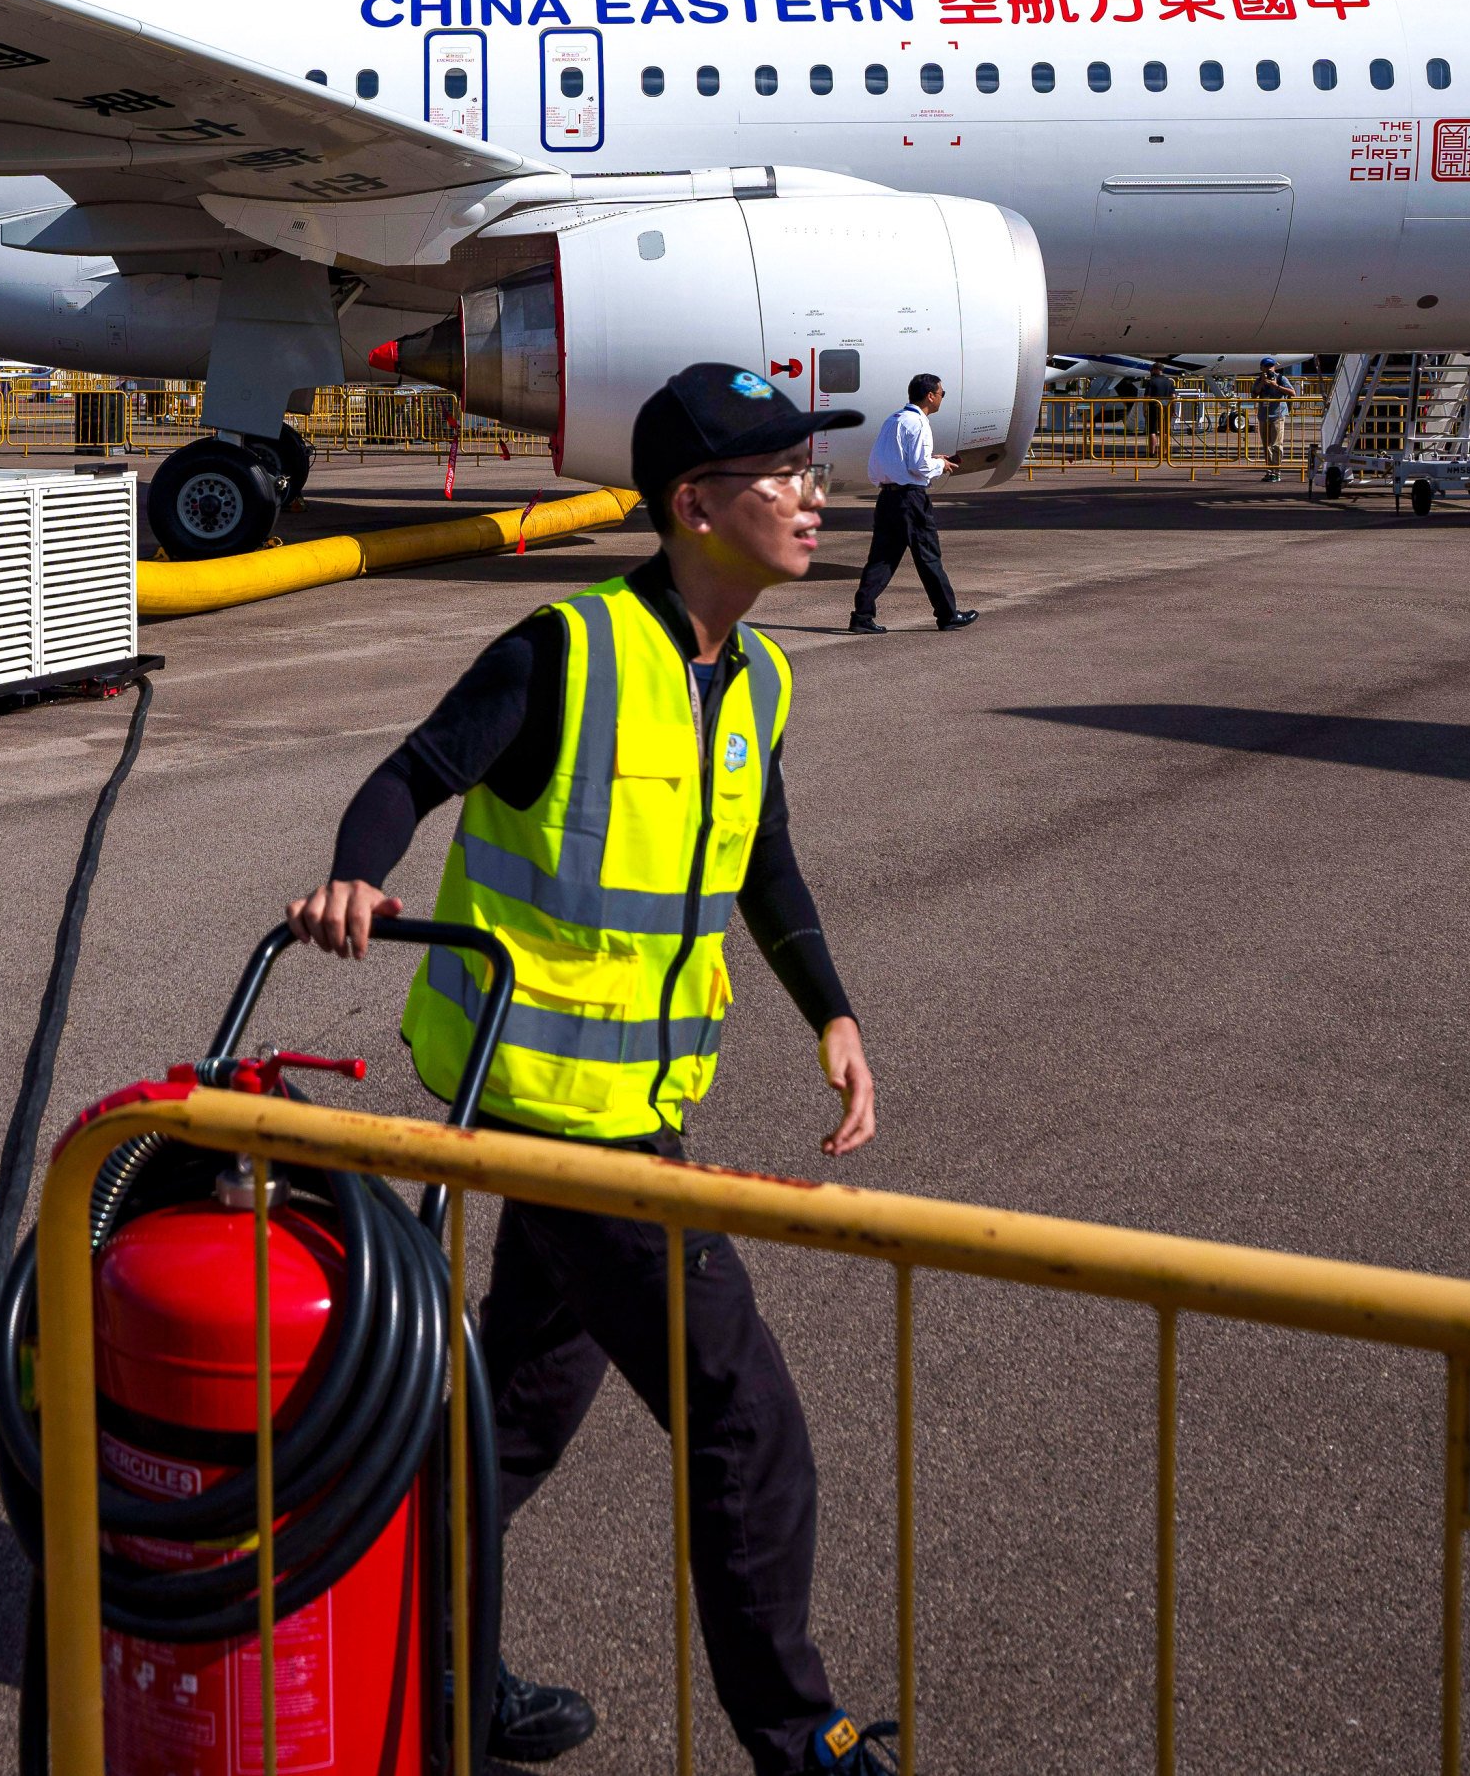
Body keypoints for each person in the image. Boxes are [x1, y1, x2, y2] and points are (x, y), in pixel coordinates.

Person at [287, 363, 895, 1776]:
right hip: (549, 1119)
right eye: (781, 476)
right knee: (744, 1424)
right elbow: (407, 772)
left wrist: (832, 1009)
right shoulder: (565, 649)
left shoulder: (752, 673)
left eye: (813, 472)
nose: (813, 497)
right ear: (692, 502)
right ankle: (796, 1733)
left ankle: (428, 1677)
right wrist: (349, 880)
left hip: (633, 1110)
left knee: (510, 1417)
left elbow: (764, 857)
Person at [846, 372, 977, 634]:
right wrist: (939, 464)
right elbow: (920, 466)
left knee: (881, 559)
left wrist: (927, 460)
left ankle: (861, 615)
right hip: (910, 500)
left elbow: (880, 464)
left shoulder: (893, 420)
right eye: (942, 393)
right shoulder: (918, 423)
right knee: (928, 557)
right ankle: (948, 615)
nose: (942, 398)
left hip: (887, 497)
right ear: (930, 395)